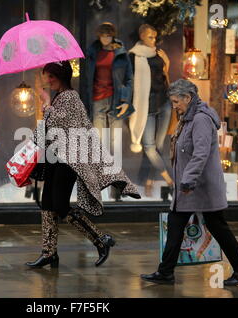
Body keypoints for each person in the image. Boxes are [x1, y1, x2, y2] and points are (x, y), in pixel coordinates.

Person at [26, 61, 140, 268]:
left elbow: (62, 123)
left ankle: (100, 239)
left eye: (51, 76)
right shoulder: (60, 97)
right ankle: (49, 252)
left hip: (68, 161)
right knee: (48, 205)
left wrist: (46, 105)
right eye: (47, 76)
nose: (48, 80)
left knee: (60, 205)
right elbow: (51, 128)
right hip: (55, 158)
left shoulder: (71, 97)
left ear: (62, 76)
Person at [141, 79, 238, 286]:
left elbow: (200, 154)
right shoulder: (188, 117)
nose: (174, 105)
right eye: (172, 102)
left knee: (217, 226)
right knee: (177, 225)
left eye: (176, 101)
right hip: (190, 187)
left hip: (199, 187)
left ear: (188, 98)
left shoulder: (200, 119)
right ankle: (166, 271)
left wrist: (187, 181)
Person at [85, 22, 134, 201]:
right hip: (97, 101)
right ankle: (97, 187)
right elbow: (85, 79)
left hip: (116, 102)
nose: (106, 38)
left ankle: (116, 189)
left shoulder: (120, 52)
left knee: (115, 147)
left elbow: (129, 78)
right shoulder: (92, 52)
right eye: (103, 35)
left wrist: (126, 101)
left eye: (108, 35)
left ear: (113, 36)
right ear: (99, 36)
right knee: (99, 147)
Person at [128, 24, 174, 196]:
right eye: (150, 37)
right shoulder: (134, 56)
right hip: (146, 106)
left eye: (155, 37)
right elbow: (130, 82)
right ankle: (169, 181)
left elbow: (165, 79)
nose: (153, 40)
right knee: (149, 147)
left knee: (159, 147)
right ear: (141, 36)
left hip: (163, 103)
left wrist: (167, 64)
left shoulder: (158, 54)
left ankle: (148, 182)